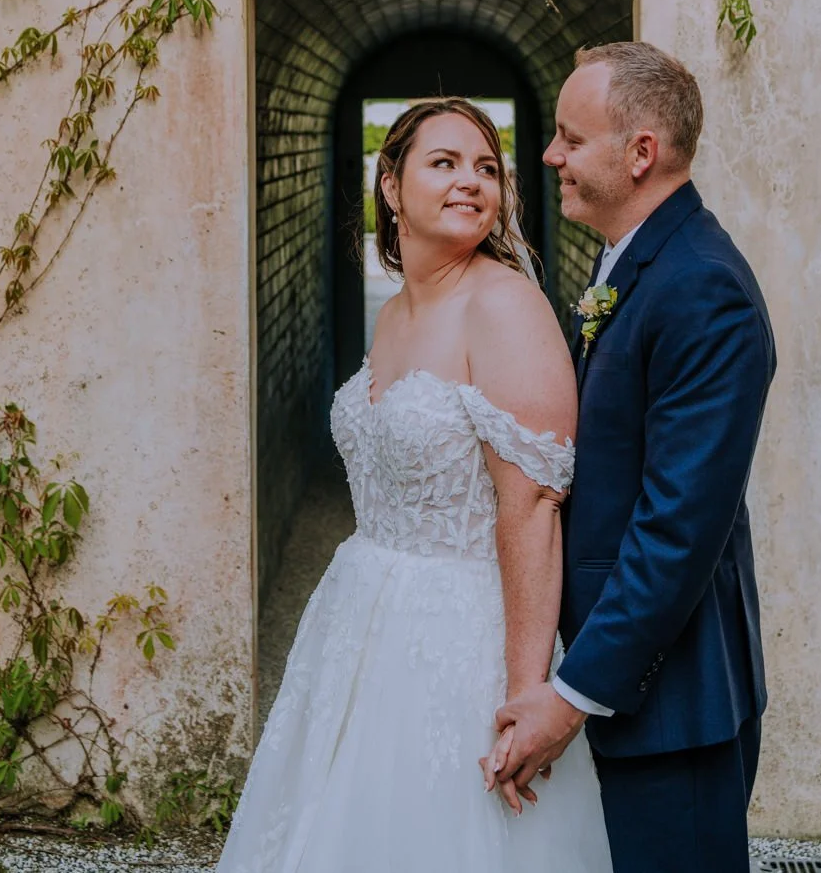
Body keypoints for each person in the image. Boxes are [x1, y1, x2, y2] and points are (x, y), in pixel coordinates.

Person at [215, 97, 612, 873]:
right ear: (391, 188)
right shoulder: (396, 312)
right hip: (359, 620)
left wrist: (528, 692)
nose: (472, 181)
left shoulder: (502, 304)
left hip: (460, 634)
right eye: (445, 163)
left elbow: (532, 504)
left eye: (487, 168)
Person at [487, 42, 776, 873]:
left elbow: (676, 530)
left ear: (640, 152)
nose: (551, 157)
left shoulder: (702, 288)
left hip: (670, 703)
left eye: (571, 140)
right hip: (625, 687)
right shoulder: (638, 262)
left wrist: (572, 697)